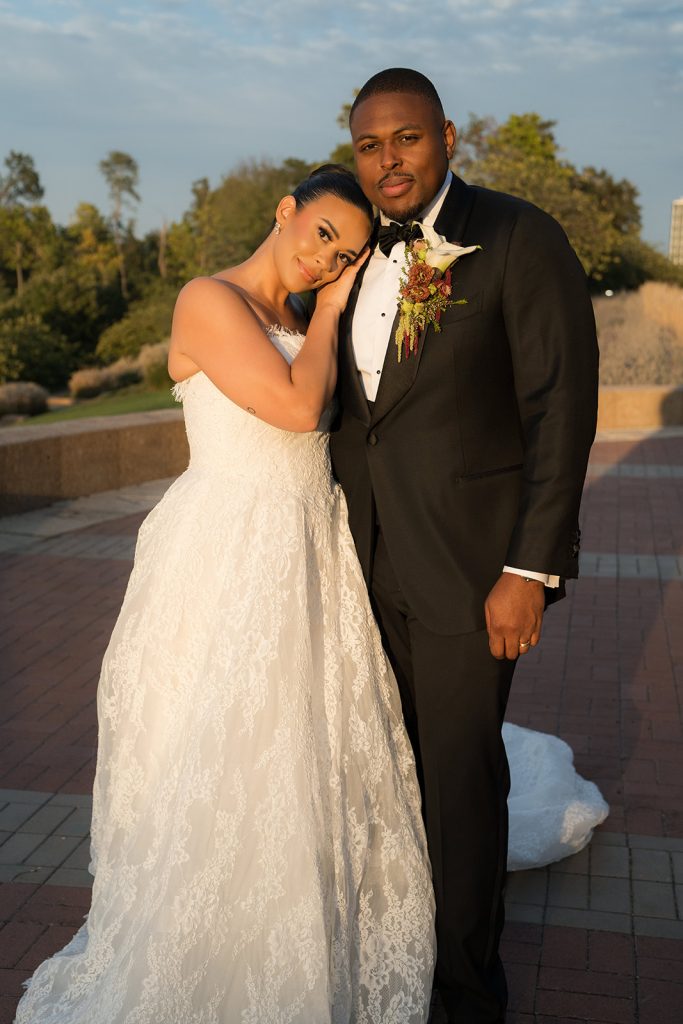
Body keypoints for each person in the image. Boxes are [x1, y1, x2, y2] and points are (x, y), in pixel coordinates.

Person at [14, 165, 437, 1024]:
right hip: (228, 551)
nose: (327, 261)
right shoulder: (208, 300)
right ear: (285, 211)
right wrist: (332, 308)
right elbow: (297, 409)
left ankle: (308, 933)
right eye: (322, 235)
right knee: (224, 745)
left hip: (310, 545)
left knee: (308, 748)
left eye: (345, 255)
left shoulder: (300, 318)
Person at [329, 70, 601, 1023]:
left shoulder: (519, 237)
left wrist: (528, 569)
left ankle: (464, 993)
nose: (388, 161)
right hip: (356, 566)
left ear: (446, 137)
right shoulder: (348, 253)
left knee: (458, 779)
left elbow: (559, 409)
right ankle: (399, 953)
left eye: (405, 139)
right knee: (386, 773)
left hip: (467, 570)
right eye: (369, 146)